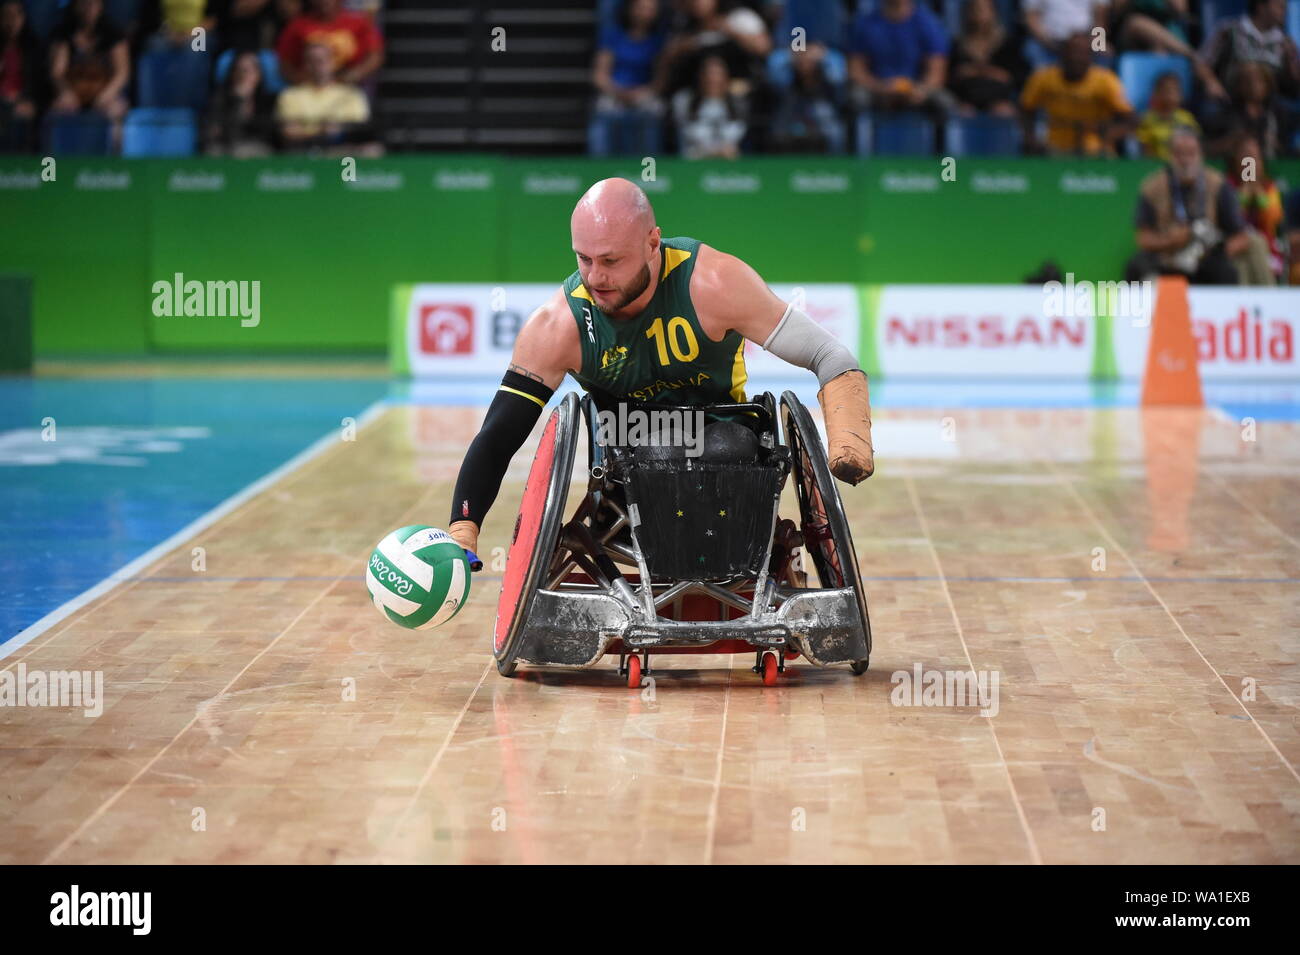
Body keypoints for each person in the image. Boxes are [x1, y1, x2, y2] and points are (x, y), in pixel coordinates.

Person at [444, 178, 876, 569]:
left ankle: (761, 544)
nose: (595, 277)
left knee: (717, 446)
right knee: (657, 452)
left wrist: (849, 438)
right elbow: (499, 434)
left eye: (611, 261)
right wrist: (464, 528)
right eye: (584, 259)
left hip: (729, 449)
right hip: (627, 469)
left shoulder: (713, 282)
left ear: (654, 243)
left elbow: (828, 354)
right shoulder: (558, 326)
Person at [1126, 126, 1250, 284]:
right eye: (1179, 154)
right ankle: (1148, 307)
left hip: (1205, 257)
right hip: (1167, 257)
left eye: (1191, 153)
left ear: (1200, 155)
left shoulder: (1218, 184)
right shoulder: (1152, 186)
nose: (1185, 160)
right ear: (1170, 156)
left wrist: (1213, 252)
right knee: (1136, 266)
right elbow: (1143, 238)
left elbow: (1241, 236)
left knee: (1226, 271)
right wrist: (1170, 241)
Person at [1020, 31, 1133, 155]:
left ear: (1090, 57)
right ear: (1062, 54)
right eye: (1071, 52)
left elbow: (1129, 120)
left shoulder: (1106, 81)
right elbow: (1026, 109)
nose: (1075, 57)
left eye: (1081, 53)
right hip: (1054, 149)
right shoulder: (1043, 78)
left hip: (1095, 150)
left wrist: (1105, 134)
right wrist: (1031, 139)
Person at [847, 0, 952, 119]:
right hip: (876, 90)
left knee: (943, 102)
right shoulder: (864, 24)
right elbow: (856, 71)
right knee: (856, 99)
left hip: (916, 90)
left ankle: (938, 136)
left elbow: (936, 72)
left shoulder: (929, 24)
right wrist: (880, 88)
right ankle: (855, 136)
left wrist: (921, 90)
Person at [590, 0, 668, 155]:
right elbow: (599, 76)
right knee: (602, 111)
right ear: (630, 9)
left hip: (644, 94)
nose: (644, 13)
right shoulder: (613, 35)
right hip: (614, 93)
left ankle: (648, 171)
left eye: (649, 9)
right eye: (640, 8)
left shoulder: (659, 40)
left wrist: (642, 92)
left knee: (653, 110)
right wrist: (618, 92)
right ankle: (600, 168)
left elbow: (661, 80)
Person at [276, 39, 371, 152]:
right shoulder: (289, 95)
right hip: (303, 150)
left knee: (371, 150)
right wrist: (322, 131)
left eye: (323, 59)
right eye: (313, 60)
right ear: (305, 64)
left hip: (342, 149)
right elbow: (289, 131)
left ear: (333, 62)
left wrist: (338, 129)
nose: (318, 64)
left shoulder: (351, 94)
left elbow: (359, 127)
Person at [48, 0, 130, 125]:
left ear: (101, 6)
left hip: (105, 92)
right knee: (55, 113)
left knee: (116, 112)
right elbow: (57, 73)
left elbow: (122, 72)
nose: (89, 8)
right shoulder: (63, 34)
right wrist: (66, 92)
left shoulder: (114, 34)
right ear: (75, 6)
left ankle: (112, 144)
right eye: (84, 3)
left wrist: (106, 95)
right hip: (74, 93)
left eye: (94, 3)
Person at [1200, 0, 1300, 101]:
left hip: (1268, 108)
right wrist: (1211, 82)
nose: (1284, 11)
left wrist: (1290, 61)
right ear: (1261, 6)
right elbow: (1202, 62)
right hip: (1229, 103)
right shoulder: (1229, 30)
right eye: (1279, 7)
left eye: (1285, 7)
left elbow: (1292, 88)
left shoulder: (1285, 43)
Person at [947, 0, 1027, 117]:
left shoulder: (1008, 45)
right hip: (965, 100)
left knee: (1003, 112)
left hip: (999, 99)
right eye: (974, 9)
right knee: (961, 113)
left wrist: (977, 71)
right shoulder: (957, 45)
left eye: (983, 9)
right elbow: (950, 76)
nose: (978, 13)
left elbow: (1016, 77)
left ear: (994, 12)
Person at [276, 0, 383, 86]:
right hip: (310, 87)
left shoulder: (359, 22)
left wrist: (356, 74)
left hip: (350, 86)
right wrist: (302, 81)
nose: (324, 1)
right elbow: (284, 62)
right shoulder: (298, 26)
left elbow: (375, 55)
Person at [1226, 134, 1284, 283]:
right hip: (1236, 247)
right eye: (1246, 157)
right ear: (1235, 160)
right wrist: (1245, 192)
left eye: (1254, 158)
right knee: (1240, 265)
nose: (1250, 164)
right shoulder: (1226, 186)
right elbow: (1229, 218)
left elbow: (1274, 218)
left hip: (1267, 249)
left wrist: (1258, 193)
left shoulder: (1269, 187)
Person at [770, 43, 846, 152]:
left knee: (834, 131)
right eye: (802, 62)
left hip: (821, 114)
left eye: (810, 62)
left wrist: (823, 55)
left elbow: (837, 77)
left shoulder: (827, 75)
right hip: (791, 110)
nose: (806, 64)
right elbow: (775, 75)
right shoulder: (786, 78)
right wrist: (794, 55)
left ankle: (834, 165)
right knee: (779, 132)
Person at [672, 53, 747, 158]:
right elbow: (686, 131)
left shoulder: (737, 102)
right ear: (700, 77)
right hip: (693, 156)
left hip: (727, 156)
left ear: (726, 78)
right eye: (709, 74)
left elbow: (735, 134)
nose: (713, 79)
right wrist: (711, 150)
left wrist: (720, 149)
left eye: (718, 74)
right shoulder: (684, 100)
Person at [205, 49, 277, 154]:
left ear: (259, 74)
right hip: (226, 147)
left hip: (257, 148)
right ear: (232, 74)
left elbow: (268, 133)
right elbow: (218, 131)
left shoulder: (267, 100)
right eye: (239, 70)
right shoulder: (221, 98)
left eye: (249, 71)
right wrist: (239, 101)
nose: (243, 76)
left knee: (241, 151)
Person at [0, 0, 42, 151]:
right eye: (6, 16)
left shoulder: (33, 47)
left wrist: (27, 100)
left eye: (16, 16)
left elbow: (39, 84)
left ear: (23, 18)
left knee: (21, 114)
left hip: (23, 101)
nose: (11, 21)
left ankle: (20, 167)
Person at [1135, 70, 1199, 159]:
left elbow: (1195, 145)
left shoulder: (1187, 118)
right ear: (1157, 94)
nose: (1173, 95)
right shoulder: (1146, 120)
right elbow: (1144, 150)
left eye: (1176, 90)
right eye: (1168, 90)